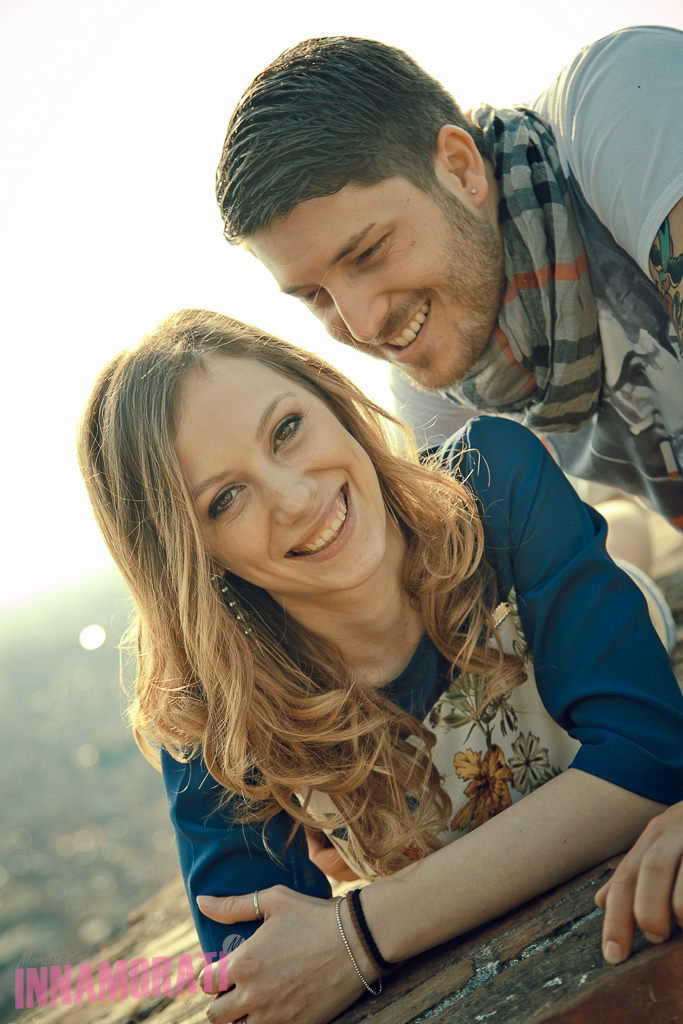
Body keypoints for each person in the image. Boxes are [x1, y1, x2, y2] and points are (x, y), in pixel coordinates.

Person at [78, 309, 683, 1024]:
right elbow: (254, 978)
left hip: (615, 619)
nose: (297, 498)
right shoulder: (215, 715)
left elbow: (649, 760)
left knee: (638, 557)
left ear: (329, 397)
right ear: (191, 556)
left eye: (286, 429)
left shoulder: (496, 476)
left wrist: (358, 933)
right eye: (225, 499)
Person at [215, 26, 683, 527]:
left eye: (369, 252)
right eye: (314, 295)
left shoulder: (616, 104)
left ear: (461, 170)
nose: (364, 327)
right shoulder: (433, 377)